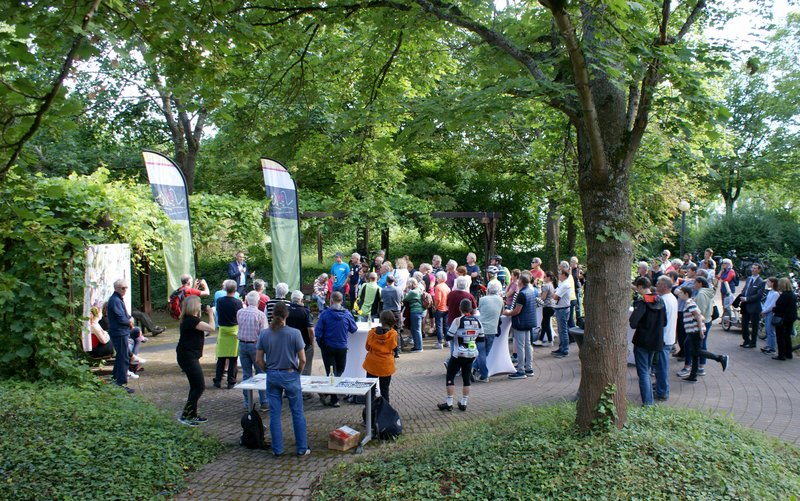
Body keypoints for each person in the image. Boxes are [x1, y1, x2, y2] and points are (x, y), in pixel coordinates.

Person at [256, 302, 310, 457]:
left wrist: (268, 370)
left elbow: (259, 359)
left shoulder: (264, 334)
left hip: (272, 374)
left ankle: (277, 449)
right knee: (297, 412)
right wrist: (297, 372)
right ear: (287, 315)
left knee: (274, 414)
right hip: (290, 374)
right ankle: (301, 448)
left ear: (272, 315)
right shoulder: (295, 333)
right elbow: (303, 359)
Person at [176, 296, 216, 426]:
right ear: (194, 306)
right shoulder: (191, 321)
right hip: (188, 357)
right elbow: (211, 328)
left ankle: (192, 414)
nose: (200, 306)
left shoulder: (190, 320)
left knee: (195, 386)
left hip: (188, 355)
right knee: (199, 386)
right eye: (199, 304)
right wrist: (210, 314)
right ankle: (186, 416)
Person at [675, 286, 728, 382]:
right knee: (694, 353)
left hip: (695, 331)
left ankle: (720, 358)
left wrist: (700, 331)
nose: (679, 295)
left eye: (681, 293)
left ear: (686, 294)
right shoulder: (690, 302)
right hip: (693, 331)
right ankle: (693, 375)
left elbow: (698, 316)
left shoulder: (689, 303)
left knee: (697, 351)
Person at [438, 299, 483, 411]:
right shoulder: (478, 321)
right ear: (471, 309)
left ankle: (449, 402)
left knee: (450, 376)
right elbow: (481, 339)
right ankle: (464, 402)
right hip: (471, 354)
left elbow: (448, 336)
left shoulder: (457, 320)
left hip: (458, 354)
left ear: (460, 308)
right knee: (466, 377)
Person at [315, 292, 357, 407]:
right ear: (342, 300)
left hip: (328, 347)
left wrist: (321, 345)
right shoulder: (347, 314)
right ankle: (334, 399)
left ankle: (327, 392)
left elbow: (318, 332)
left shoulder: (325, 314)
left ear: (331, 300)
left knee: (331, 373)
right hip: (342, 346)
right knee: (339, 370)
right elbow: (354, 329)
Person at [629, 277, 666, 406]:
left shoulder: (642, 302)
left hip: (642, 341)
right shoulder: (660, 300)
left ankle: (648, 403)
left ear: (640, 287)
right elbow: (664, 321)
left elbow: (633, 323)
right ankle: (649, 400)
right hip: (655, 341)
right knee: (648, 370)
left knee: (643, 372)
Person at [237, 291, 268, 410]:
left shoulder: (240, 312)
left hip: (242, 344)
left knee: (246, 374)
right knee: (261, 374)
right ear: (259, 301)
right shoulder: (260, 315)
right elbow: (263, 334)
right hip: (255, 346)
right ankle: (264, 401)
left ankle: (247, 403)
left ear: (246, 301)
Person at [502, 272, 537, 379]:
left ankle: (521, 370)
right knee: (527, 345)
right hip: (529, 321)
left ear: (521, 281)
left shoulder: (522, 294)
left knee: (520, 346)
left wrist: (507, 312)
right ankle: (529, 368)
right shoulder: (530, 291)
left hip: (521, 322)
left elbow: (517, 311)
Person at [363, 310, 399, 402]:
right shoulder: (393, 334)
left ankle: (369, 412)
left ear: (381, 320)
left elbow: (367, 347)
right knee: (385, 390)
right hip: (386, 365)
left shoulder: (372, 332)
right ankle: (385, 412)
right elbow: (394, 348)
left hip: (372, 364)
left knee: (370, 390)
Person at [213, 280, 243, 389]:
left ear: (225, 289)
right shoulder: (238, 302)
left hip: (223, 330)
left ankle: (217, 380)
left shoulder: (220, 301)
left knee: (221, 357)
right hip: (234, 330)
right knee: (233, 358)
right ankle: (231, 382)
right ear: (235, 290)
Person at [107, 279, 134, 393]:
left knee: (121, 357)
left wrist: (130, 318)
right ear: (116, 288)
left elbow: (126, 315)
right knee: (123, 358)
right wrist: (129, 322)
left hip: (121, 332)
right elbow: (121, 318)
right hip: (119, 332)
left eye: (126, 288)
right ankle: (121, 383)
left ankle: (115, 379)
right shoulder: (115, 300)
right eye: (123, 288)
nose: (125, 290)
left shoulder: (118, 299)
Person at [655, 276, 678, 401]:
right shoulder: (672, 298)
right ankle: (660, 387)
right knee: (661, 365)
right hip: (668, 336)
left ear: (664, 286)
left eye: (658, 284)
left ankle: (662, 391)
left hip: (663, 338)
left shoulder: (663, 300)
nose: (656, 285)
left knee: (662, 366)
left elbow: (660, 321)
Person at [476, 281, 503, 382]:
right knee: (485, 352)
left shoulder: (482, 299)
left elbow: (480, 310)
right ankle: (482, 373)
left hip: (481, 329)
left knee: (481, 352)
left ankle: (481, 373)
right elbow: (502, 313)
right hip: (492, 330)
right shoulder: (500, 300)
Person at [286, 290, 315, 376]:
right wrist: (312, 341)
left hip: (288, 342)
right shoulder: (305, 311)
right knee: (306, 364)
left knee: (290, 365)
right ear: (301, 300)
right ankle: (305, 380)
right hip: (304, 342)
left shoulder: (286, 310)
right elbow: (311, 330)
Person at [740, 263, 765, 349]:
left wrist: (747, 299)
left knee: (754, 325)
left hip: (754, 307)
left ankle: (753, 342)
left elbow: (759, 295)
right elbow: (745, 289)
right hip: (745, 305)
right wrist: (742, 295)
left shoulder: (761, 282)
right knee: (744, 324)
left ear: (759, 270)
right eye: (752, 268)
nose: (753, 270)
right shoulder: (749, 279)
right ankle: (746, 340)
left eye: (755, 268)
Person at [772, 277, 798, 361]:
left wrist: (774, 309)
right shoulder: (792, 294)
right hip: (791, 317)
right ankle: (788, 353)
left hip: (782, 318)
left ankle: (781, 354)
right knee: (787, 336)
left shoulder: (784, 295)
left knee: (780, 337)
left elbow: (780, 307)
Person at [551, 269, 573, 358]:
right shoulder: (562, 284)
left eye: (560, 274)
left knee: (563, 330)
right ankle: (561, 347)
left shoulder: (565, 285)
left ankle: (565, 350)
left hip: (563, 310)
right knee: (560, 330)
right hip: (560, 309)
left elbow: (555, 296)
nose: (559, 275)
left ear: (564, 275)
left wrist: (553, 293)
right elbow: (555, 293)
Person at [534, 271, 557, 347]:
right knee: (544, 323)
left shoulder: (546, 286)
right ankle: (540, 339)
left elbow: (543, 298)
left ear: (548, 278)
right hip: (551, 306)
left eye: (545, 277)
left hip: (547, 306)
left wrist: (537, 299)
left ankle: (550, 340)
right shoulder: (551, 285)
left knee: (546, 324)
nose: (543, 278)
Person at [403, 278, 424, 353]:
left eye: (408, 283)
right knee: (416, 329)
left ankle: (418, 347)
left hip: (415, 312)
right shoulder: (419, 289)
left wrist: (406, 291)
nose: (407, 285)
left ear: (411, 284)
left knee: (416, 330)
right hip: (420, 311)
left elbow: (405, 299)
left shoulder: (413, 292)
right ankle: (417, 346)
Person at [761, 277, 780, 355]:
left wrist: (765, 310)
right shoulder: (770, 292)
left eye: (768, 282)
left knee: (770, 331)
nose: (767, 283)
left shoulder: (776, 293)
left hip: (770, 313)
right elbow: (767, 302)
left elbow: (772, 305)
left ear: (772, 283)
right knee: (767, 330)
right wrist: (763, 309)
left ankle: (772, 348)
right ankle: (769, 345)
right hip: (767, 312)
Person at [433, 271, 450, 349]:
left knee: (439, 326)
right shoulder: (447, 286)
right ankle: (447, 341)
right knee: (446, 325)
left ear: (440, 278)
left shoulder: (438, 286)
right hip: (446, 308)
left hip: (439, 308)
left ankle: (440, 342)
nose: (436, 278)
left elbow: (438, 299)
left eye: (437, 277)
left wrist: (435, 307)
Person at [570, 256, 583, 327]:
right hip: (571, 290)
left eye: (572, 262)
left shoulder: (579, 270)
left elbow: (582, 280)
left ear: (576, 263)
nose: (571, 263)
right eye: (570, 261)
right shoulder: (569, 270)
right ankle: (572, 322)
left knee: (577, 306)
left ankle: (579, 321)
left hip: (576, 289)